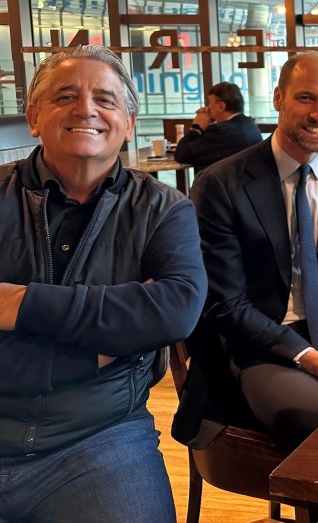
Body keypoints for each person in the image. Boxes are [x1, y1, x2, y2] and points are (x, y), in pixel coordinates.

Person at [0, 45, 206, 521]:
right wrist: (101, 349)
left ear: (128, 123)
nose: (87, 109)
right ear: (34, 117)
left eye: (106, 100)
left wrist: (18, 305)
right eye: (65, 96)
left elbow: (176, 309)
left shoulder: (163, 209)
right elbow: (149, 316)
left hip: (101, 435)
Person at [181, 52, 318, 451]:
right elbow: (225, 305)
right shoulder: (221, 185)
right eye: (306, 98)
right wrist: (314, 360)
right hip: (259, 349)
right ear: (277, 99)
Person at [173, 81, 263, 169]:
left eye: (210, 102)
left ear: (221, 106)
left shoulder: (219, 131)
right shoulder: (251, 126)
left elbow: (182, 154)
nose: (208, 107)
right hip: (248, 182)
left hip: (220, 183)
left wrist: (196, 127)